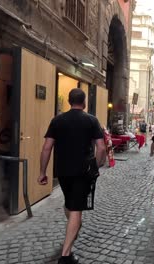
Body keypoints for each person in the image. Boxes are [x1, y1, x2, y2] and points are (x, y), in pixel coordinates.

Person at [39, 88, 106, 264]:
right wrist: (97, 166)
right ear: (84, 102)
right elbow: (101, 148)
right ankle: (66, 256)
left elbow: (47, 147)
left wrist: (42, 172)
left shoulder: (57, 120)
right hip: (82, 171)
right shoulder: (91, 120)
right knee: (76, 209)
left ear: (69, 101)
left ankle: (73, 225)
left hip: (62, 171)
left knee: (70, 203)